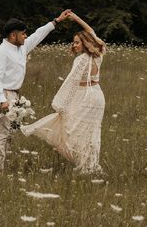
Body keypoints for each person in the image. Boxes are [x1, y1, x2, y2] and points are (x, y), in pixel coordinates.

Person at [21, 11, 106, 174]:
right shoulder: (99, 54)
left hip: (87, 96)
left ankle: (86, 165)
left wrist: (60, 105)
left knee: (74, 129)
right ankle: (89, 164)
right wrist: (77, 19)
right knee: (90, 132)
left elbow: (71, 83)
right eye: (73, 42)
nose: (74, 45)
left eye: (76, 43)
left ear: (85, 43)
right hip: (97, 94)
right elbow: (92, 33)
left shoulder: (81, 60)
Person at [0, 11, 71, 170]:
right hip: (3, 94)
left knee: (11, 132)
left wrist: (56, 21)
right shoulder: (1, 52)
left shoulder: (21, 47)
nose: (26, 36)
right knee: (2, 132)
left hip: (14, 94)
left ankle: (5, 163)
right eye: (23, 34)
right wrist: (2, 100)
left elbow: (38, 35)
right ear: (13, 35)